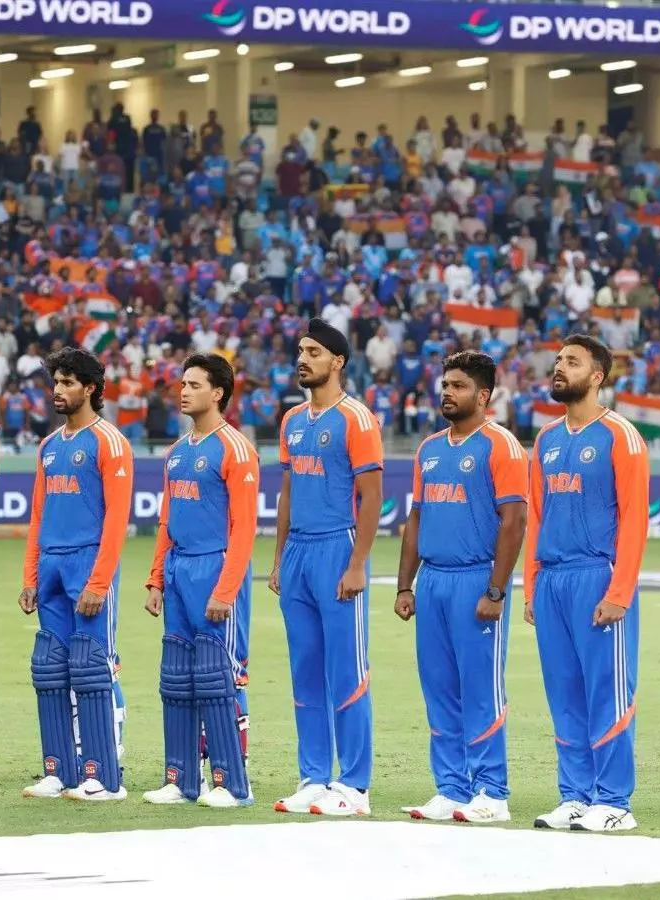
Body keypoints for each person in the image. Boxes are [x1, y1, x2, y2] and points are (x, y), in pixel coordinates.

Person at [395, 351, 528, 824]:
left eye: (459, 386)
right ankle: (451, 788)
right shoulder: (429, 449)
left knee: (480, 689)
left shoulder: (501, 445)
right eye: (445, 385)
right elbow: (416, 518)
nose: (448, 393)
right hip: (432, 580)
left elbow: (514, 521)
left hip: (476, 579)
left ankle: (491, 791)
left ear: (483, 395)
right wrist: (405, 585)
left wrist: (496, 591)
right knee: (439, 689)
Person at [526, 335, 649, 833]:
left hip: (598, 577)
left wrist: (620, 592)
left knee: (607, 691)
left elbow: (635, 518)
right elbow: (536, 516)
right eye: (558, 360)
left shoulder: (621, 435)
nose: (559, 368)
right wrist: (531, 586)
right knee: (564, 693)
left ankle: (615, 800)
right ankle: (575, 795)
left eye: (572, 362)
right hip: (552, 581)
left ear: (597, 376)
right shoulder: (545, 439)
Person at [270, 318, 384, 817]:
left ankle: (355, 786)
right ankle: (314, 776)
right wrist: (278, 558)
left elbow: (373, 495)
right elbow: (288, 491)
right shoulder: (292, 420)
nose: (303, 359)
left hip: (338, 547)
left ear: (337, 361)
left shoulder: (356, 418)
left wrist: (358, 563)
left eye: (313, 352)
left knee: (347, 671)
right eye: (301, 350)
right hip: (297, 552)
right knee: (305, 671)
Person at [141, 353, 257, 809]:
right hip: (178, 571)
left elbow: (244, 528)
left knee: (221, 677)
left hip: (215, 569)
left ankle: (233, 782)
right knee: (178, 678)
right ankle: (182, 779)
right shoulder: (177, 452)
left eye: (194, 384)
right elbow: (166, 520)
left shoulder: (235, 448)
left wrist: (226, 590)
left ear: (218, 393)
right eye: (182, 383)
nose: (183, 391)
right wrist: (156, 579)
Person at [19, 348, 133, 801]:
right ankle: (60, 769)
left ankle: (106, 773)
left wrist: (99, 581)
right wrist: (30, 575)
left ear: (90, 388)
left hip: (88, 564)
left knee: (94, 666)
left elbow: (117, 518)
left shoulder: (109, 441)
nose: (58, 390)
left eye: (68, 382)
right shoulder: (49, 446)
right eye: (56, 382)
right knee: (52, 670)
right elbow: (38, 514)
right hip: (50, 564)